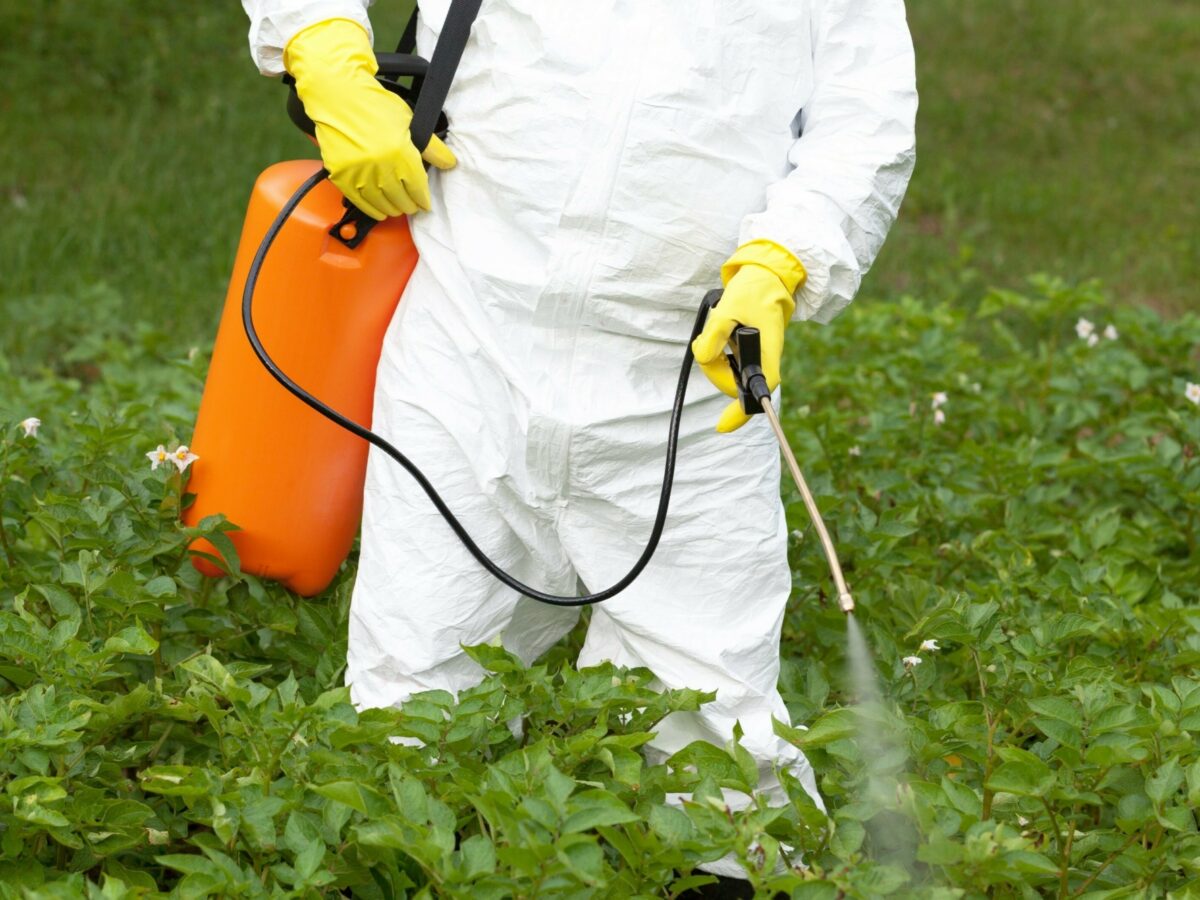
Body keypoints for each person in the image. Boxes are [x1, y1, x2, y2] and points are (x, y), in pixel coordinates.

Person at [243, 0, 916, 888]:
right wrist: (320, 44)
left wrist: (784, 258)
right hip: (466, 344)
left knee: (713, 745)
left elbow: (865, 118)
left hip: (680, 386)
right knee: (410, 712)